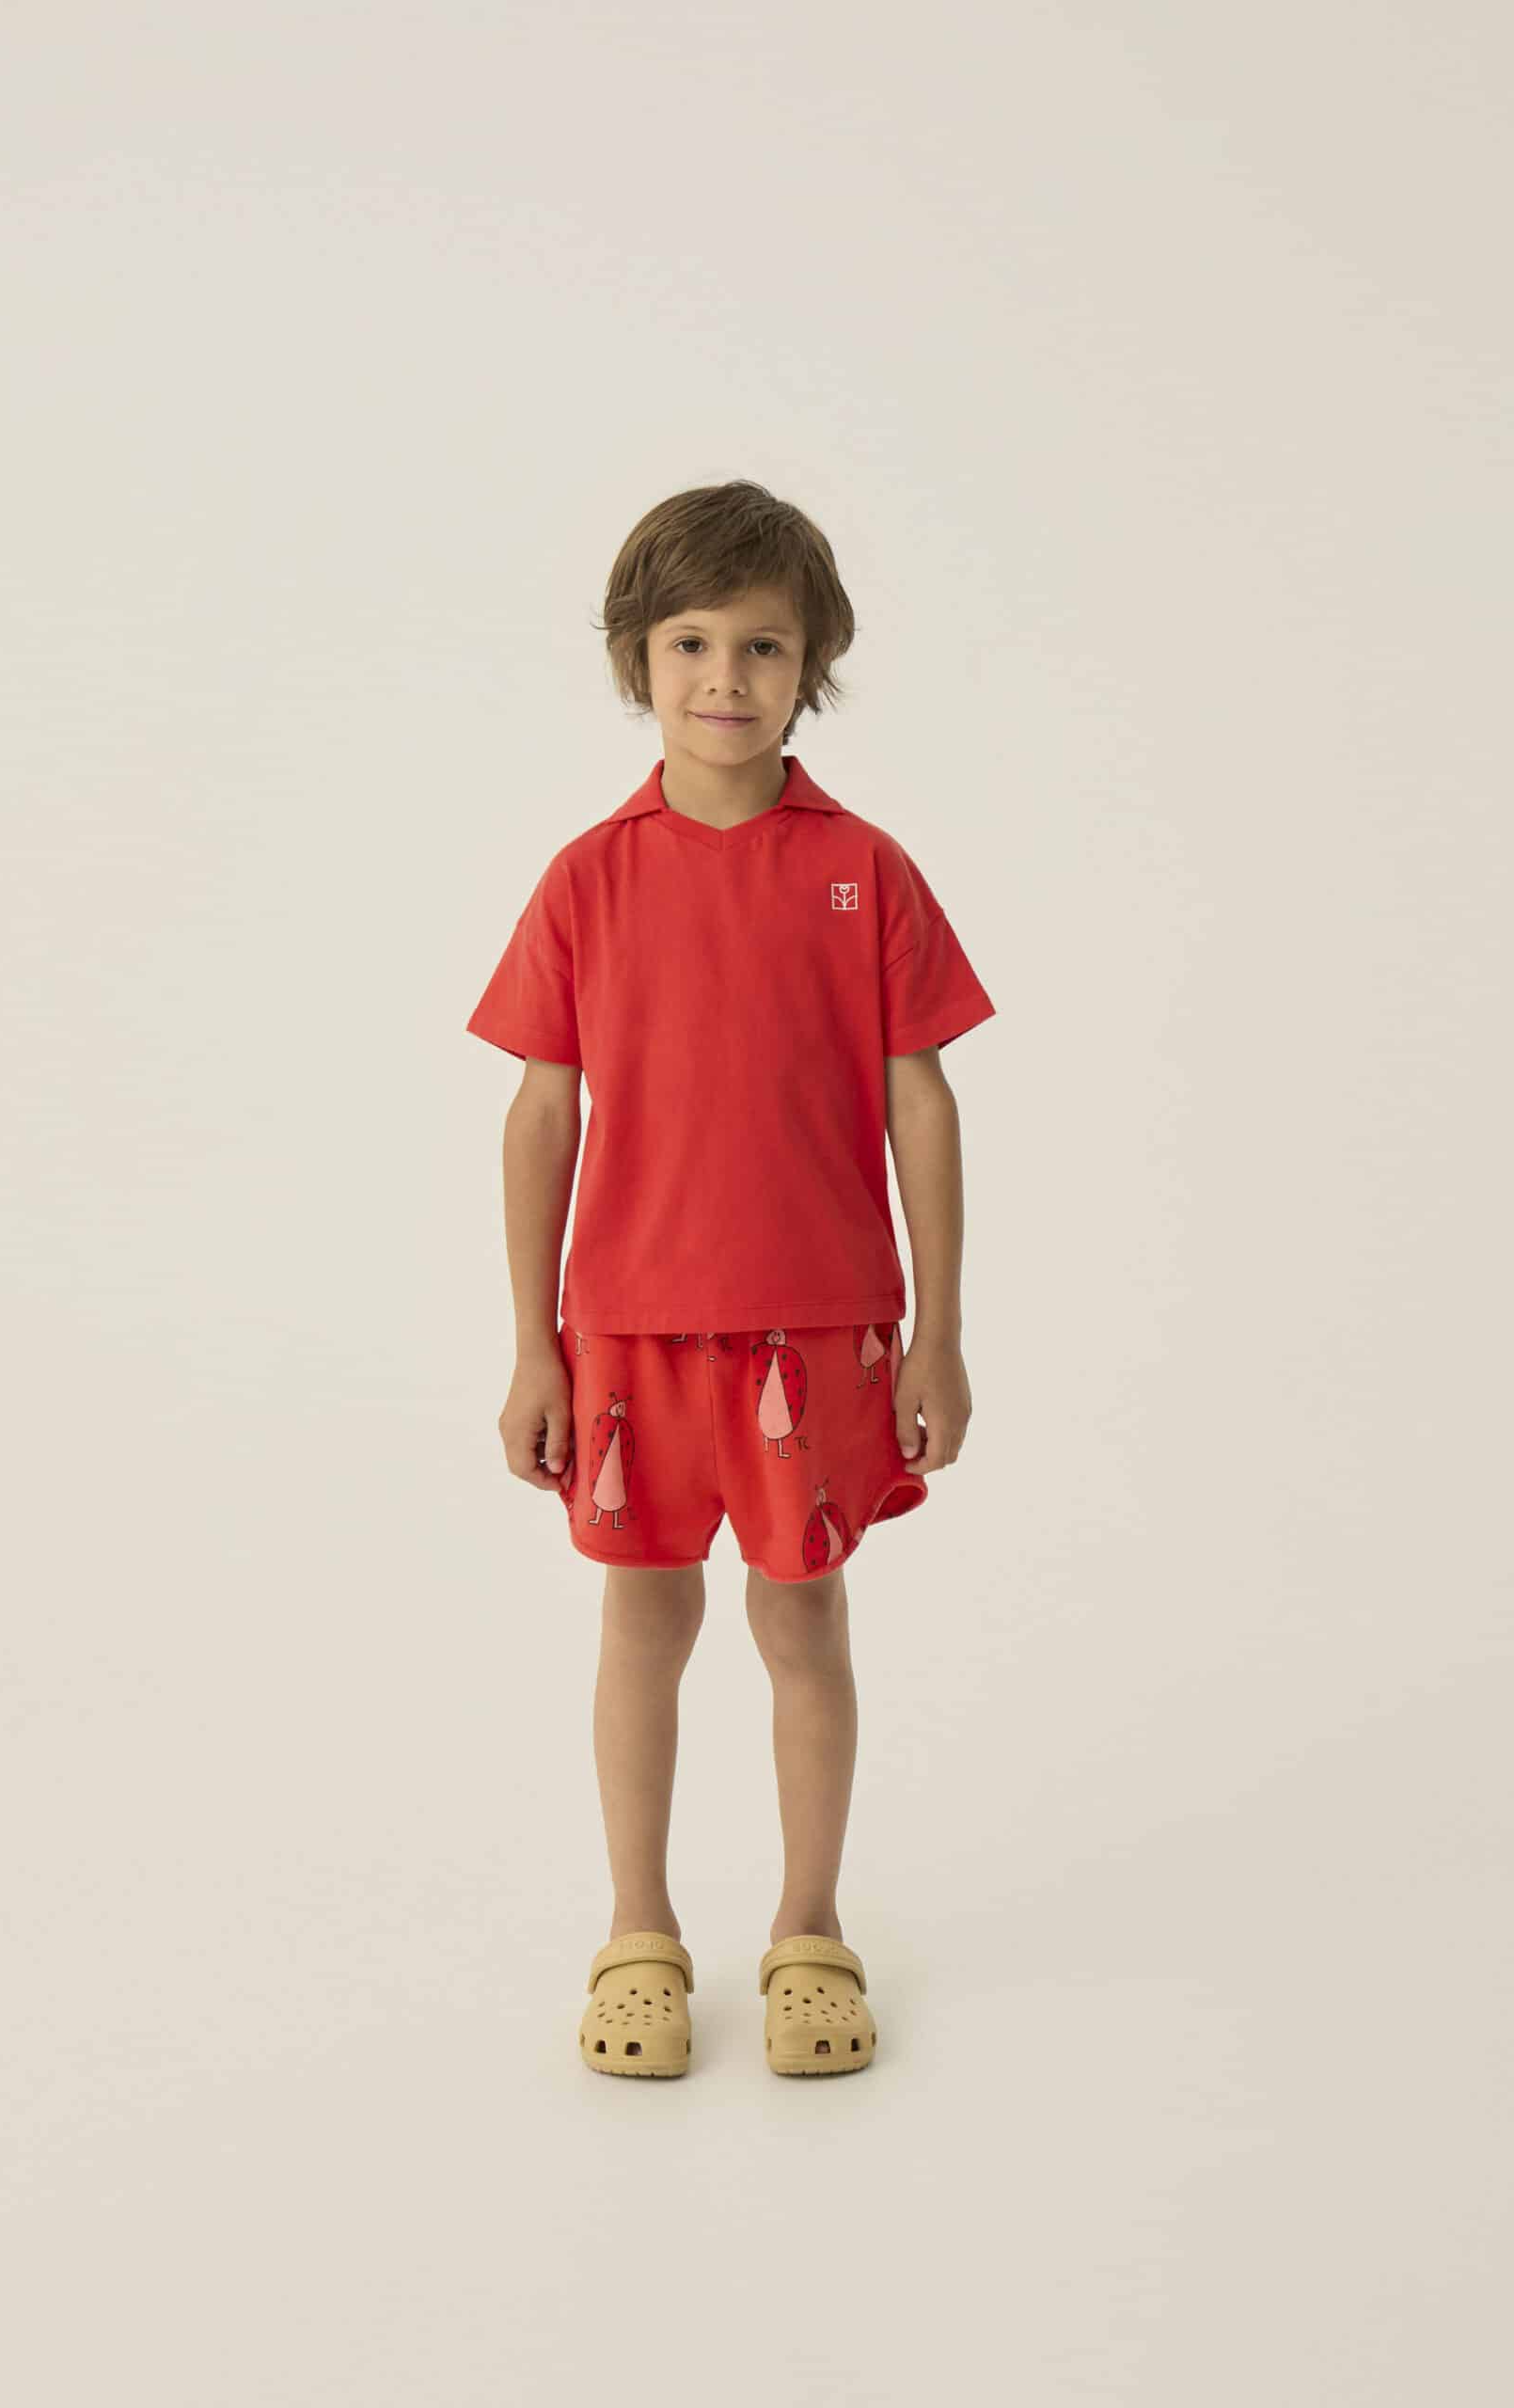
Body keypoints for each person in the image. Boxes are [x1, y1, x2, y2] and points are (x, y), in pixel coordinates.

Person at [465, 479, 996, 2077]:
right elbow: (544, 1111)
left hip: (817, 1325)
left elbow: (920, 1101)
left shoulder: (865, 871)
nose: (724, 677)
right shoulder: (589, 878)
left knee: (804, 1618)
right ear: (637, 657)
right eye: (690, 641)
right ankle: (639, 1933)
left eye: (762, 645)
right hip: (628, 1327)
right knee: (643, 1619)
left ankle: (808, 1935)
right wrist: (535, 1345)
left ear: (812, 660)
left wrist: (940, 1335)